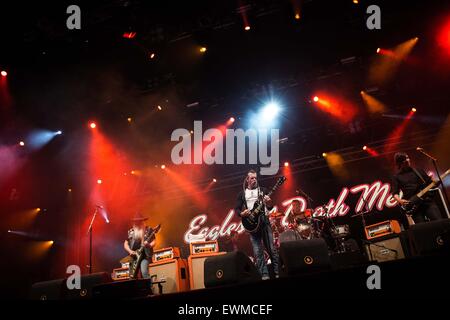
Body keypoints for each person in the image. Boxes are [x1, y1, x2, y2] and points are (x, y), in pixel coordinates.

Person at [235, 169, 280, 280]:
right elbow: (236, 209)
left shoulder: (263, 190)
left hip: (264, 222)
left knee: (272, 249)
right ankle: (264, 275)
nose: (254, 180)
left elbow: (269, 207)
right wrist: (242, 213)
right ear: (247, 180)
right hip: (252, 225)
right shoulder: (242, 194)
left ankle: (277, 273)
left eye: (255, 178)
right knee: (258, 252)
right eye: (252, 178)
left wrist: (269, 202)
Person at [392, 152, 442, 224]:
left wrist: (435, 182)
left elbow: (430, 184)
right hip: (413, 205)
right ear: (399, 163)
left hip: (427, 201)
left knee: (438, 222)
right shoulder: (397, 177)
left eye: (407, 158)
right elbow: (394, 192)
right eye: (404, 160)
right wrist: (400, 200)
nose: (407, 160)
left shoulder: (418, 171)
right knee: (422, 229)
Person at [123, 213, 156, 279]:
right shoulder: (131, 231)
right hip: (134, 257)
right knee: (132, 276)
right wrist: (130, 251)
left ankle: (149, 288)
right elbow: (125, 244)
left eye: (139, 221)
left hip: (144, 256)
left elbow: (154, 242)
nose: (137, 223)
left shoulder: (149, 230)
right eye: (136, 221)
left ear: (143, 221)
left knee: (144, 273)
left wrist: (149, 245)